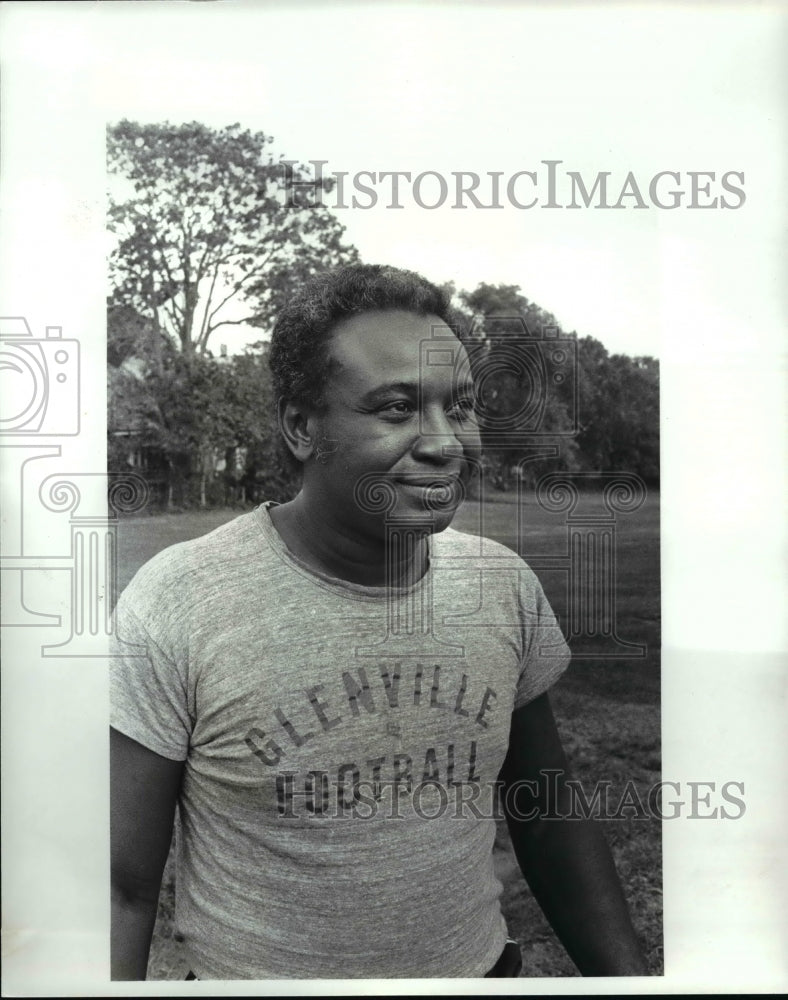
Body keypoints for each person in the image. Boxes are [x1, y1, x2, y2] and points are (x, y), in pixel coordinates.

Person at [110, 263, 648, 980]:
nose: (445, 442)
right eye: (396, 408)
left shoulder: (499, 586)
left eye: (459, 407)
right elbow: (120, 884)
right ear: (302, 426)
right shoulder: (180, 601)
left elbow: (547, 809)